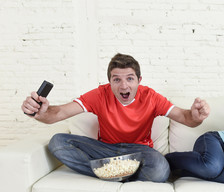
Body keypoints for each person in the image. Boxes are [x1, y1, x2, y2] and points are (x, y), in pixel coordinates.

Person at [21, 53, 210, 183]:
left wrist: (195, 116)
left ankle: (109, 173)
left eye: (129, 78)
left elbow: (185, 118)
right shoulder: (100, 94)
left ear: (139, 80)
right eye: (116, 79)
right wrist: (42, 112)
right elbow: (59, 113)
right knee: (58, 142)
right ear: (109, 81)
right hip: (106, 150)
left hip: (140, 152)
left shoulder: (151, 97)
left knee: (161, 170)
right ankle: (118, 172)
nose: (123, 85)